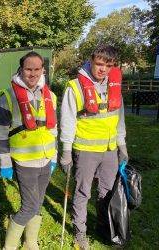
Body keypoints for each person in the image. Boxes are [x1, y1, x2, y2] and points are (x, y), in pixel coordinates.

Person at [59, 44, 127, 250]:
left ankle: (103, 227)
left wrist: (122, 145)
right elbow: (68, 120)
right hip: (85, 150)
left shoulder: (114, 84)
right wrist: (66, 151)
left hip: (110, 150)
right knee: (83, 193)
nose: (103, 70)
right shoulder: (75, 87)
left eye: (108, 65)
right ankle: (80, 232)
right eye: (99, 64)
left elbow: (119, 118)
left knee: (107, 192)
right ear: (91, 60)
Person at [0, 51, 58, 250]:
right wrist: (5, 163)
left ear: (43, 70)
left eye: (36, 69)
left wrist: (54, 156)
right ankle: (10, 247)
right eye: (28, 69)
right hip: (24, 161)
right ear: (21, 69)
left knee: (37, 204)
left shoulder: (51, 95)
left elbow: (53, 129)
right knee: (29, 206)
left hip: (46, 159)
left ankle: (31, 243)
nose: (32, 73)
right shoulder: (8, 95)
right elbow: (0, 132)